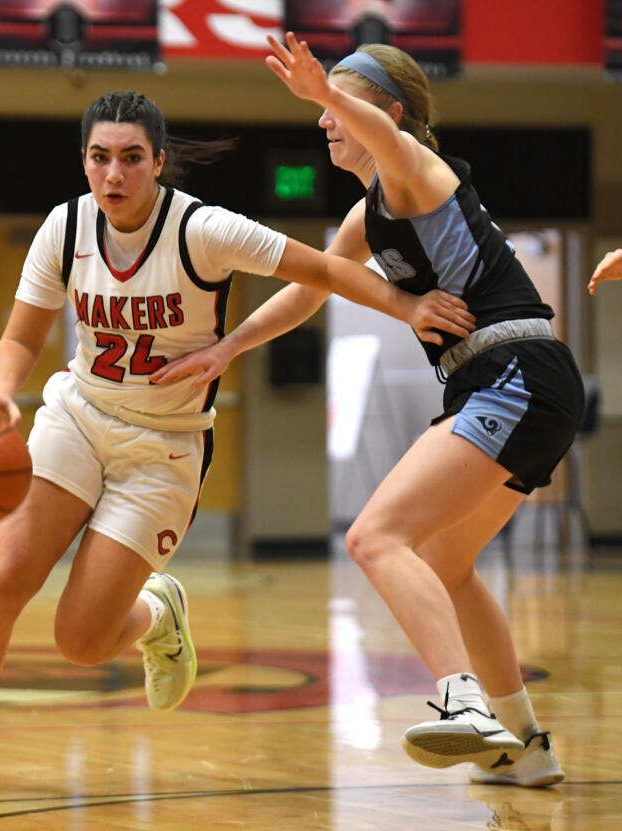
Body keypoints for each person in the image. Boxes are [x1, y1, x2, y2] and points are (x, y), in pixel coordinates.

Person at [0, 90, 474, 793]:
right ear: (84, 162)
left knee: (79, 639)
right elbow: (21, 334)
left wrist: (405, 304)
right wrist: (2, 390)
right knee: (6, 576)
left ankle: (159, 611)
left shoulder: (202, 229)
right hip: (78, 417)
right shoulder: (64, 227)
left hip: (162, 448)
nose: (114, 174)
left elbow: (319, 269)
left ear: (159, 163)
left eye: (132, 158)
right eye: (100, 158)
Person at [151, 35, 585, 787]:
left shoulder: (417, 168)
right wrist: (230, 348)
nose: (325, 121)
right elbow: (311, 287)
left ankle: (464, 703)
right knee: (446, 564)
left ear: (386, 112)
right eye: (325, 107)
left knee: (376, 536)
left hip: (514, 371)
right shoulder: (368, 213)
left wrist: (324, 88)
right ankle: (527, 746)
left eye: (340, 107)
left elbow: (389, 136)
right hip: (518, 384)